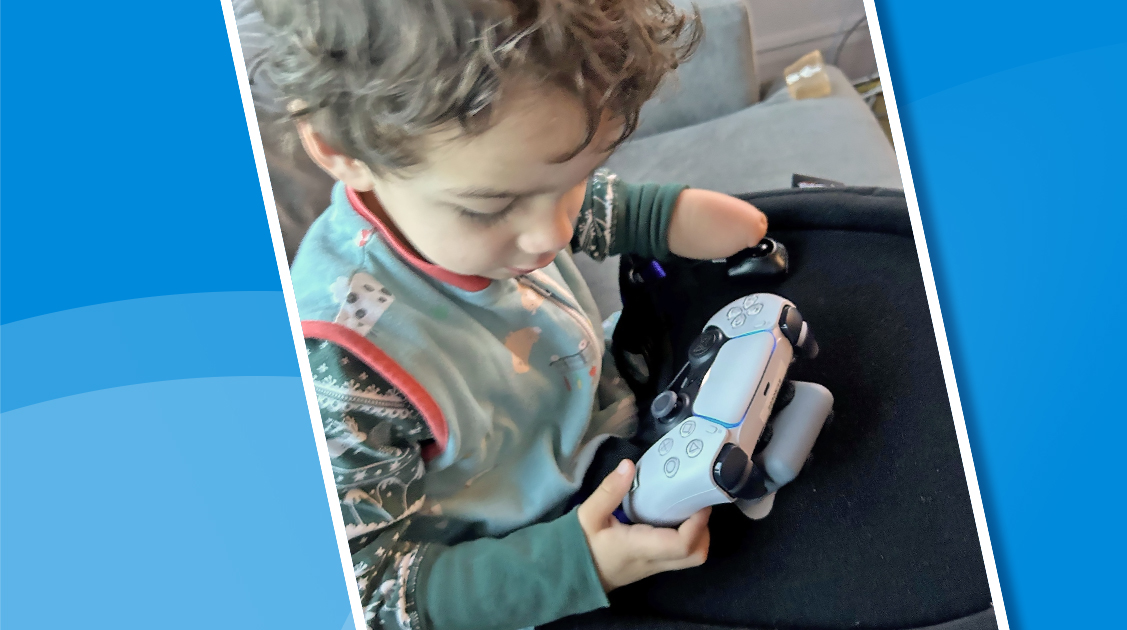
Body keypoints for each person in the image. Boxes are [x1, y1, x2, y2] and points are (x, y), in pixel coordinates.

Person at [252, 1, 769, 628]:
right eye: (491, 208)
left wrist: (663, 216)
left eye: (579, 176)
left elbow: (586, 203)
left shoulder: (502, 183)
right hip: (531, 560)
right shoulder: (343, 366)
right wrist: (577, 564)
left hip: (602, 415)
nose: (550, 233)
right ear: (342, 151)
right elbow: (373, 590)